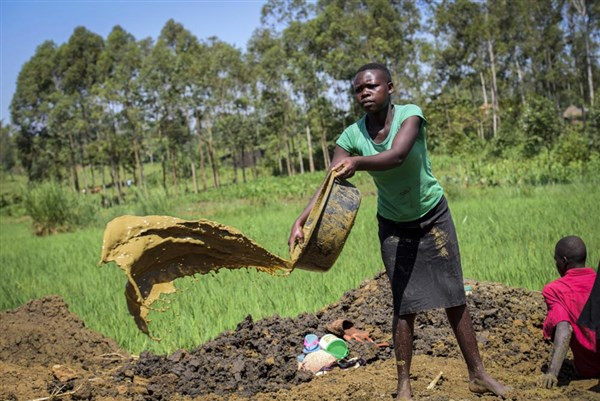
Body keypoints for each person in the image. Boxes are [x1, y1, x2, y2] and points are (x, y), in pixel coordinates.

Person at [289, 63, 508, 400]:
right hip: (393, 225)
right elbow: (330, 182)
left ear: (390, 87)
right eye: (358, 89)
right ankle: (403, 385)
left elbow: (398, 155)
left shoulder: (411, 115)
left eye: (371, 86)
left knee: (454, 297)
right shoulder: (352, 135)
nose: (364, 93)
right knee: (404, 304)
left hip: (433, 216)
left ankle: (477, 373)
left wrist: (359, 163)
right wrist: (302, 219)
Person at [539, 236, 600, 389]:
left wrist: (552, 372)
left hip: (590, 369)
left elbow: (564, 329)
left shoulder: (555, 290)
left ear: (564, 261)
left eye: (556, 260)